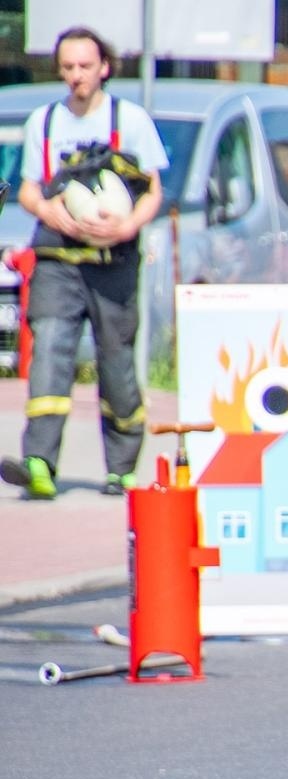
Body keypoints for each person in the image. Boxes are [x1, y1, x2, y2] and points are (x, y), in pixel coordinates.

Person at [1, 26, 168, 500]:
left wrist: (127, 226)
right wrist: (46, 209)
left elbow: (154, 191)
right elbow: (30, 188)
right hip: (57, 258)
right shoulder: (44, 122)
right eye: (68, 67)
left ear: (104, 68)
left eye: (85, 67)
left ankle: (122, 468)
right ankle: (39, 463)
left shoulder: (129, 119)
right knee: (50, 348)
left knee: (116, 362)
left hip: (113, 258)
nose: (77, 76)